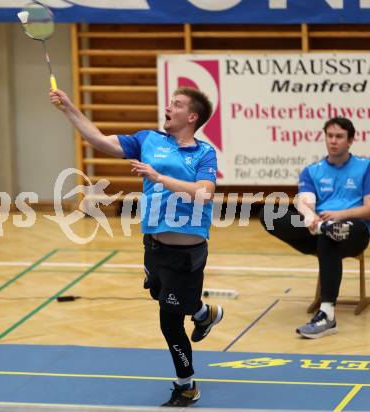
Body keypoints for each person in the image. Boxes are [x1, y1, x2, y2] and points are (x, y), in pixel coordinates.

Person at [50, 86, 223, 406]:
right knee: (160, 293)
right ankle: (203, 313)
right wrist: (69, 110)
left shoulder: (204, 154)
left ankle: (187, 385)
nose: (169, 107)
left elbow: (204, 193)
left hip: (187, 254)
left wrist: (159, 178)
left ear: (192, 116)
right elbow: (100, 140)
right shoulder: (149, 140)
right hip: (154, 245)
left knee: (169, 320)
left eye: (177, 104)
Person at [259, 117, 370, 339]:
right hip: (318, 228)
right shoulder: (312, 171)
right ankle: (323, 228)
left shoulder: (365, 167)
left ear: (350, 141)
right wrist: (312, 218)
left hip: (355, 230)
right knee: (269, 214)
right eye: (330, 136)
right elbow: (304, 202)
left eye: (339, 137)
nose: (333, 141)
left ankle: (327, 315)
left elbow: (369, 209)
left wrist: (340, 215)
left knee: (330, 235)